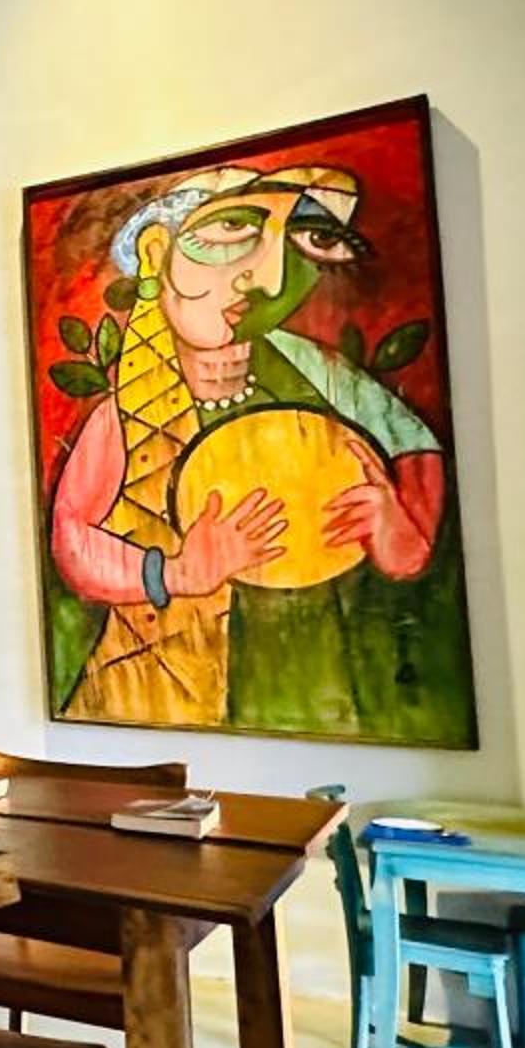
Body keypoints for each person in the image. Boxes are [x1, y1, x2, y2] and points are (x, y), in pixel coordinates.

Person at [47, 159, 447, 732]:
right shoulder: (128, 403)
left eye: (306, 239)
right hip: (165, 696)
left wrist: (399, 529)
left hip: (311, 683)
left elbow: (413, 449)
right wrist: (174, 573)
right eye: (231, 230)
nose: (268, 280)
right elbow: (72, 532)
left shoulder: (317, 371)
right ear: (157, 251)